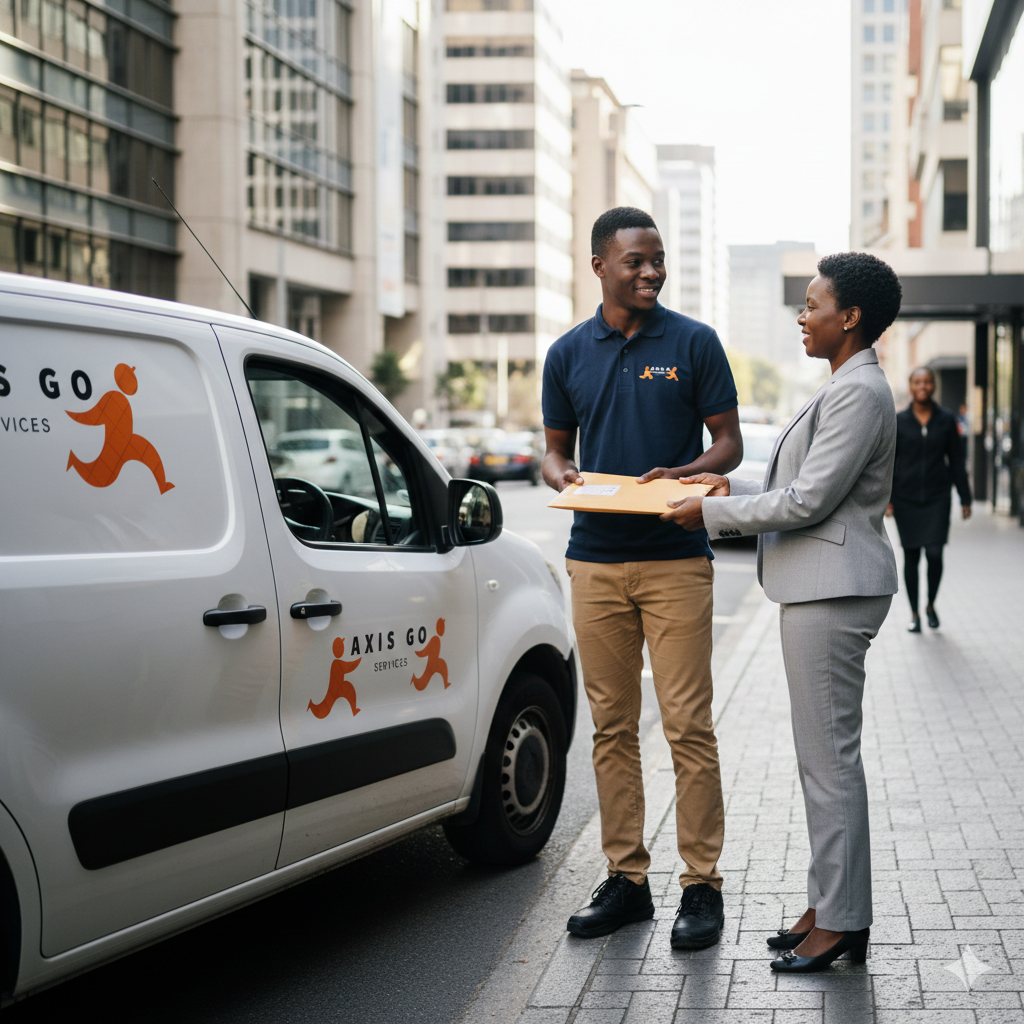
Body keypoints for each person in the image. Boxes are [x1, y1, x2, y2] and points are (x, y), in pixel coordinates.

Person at [664, 252, 901, 973]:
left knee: (829, 764)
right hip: (822, 587)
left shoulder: (858, 392)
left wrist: (713, 511)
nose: (802, 315)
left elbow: (808, 501)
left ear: (849, 317)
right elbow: (796, 481)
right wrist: (718, 481)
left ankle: (842, 921)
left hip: (833, 589)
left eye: (812, 303)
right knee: (822, 761)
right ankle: (830, 905)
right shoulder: (845, 385)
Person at [542, 206, 743, 950]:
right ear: (601, 266)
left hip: (676, 563)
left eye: (658, 260)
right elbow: (553, 451)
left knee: (690, 727)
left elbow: (727, 443)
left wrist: (686, 471)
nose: (651, 271)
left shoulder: (693, 343)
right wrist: (566, 475)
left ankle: (702, 885)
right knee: (611, 729)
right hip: (593, 559)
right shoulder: (568, 353)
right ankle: (627, 882)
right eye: (636, 261)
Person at [887, 367, 972, 632]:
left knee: (934, 554)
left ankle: (930, 605)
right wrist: (887, 498)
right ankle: (914, 614)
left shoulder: (946, 420)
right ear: (910, 387)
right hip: (905, 499)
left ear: (933, 386)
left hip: (937, 498)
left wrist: (965, 497)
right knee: (911, 556)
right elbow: (888, 463)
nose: (922, 386)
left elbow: (957, 460)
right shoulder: (899, 420)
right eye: (917, 382)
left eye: (927, 382)